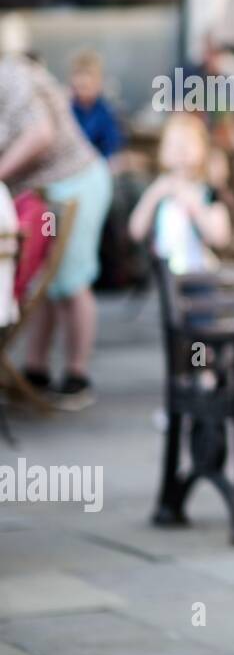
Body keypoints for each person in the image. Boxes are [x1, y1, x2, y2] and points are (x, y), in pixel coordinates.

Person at [0, 49, 112, 410]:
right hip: (48, 190)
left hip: (74, 182)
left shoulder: (11, 75)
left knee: (70, 282)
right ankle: (36, 370)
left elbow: (40, 134)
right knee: (47, 283)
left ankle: (77, 378)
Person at [128, 112, 231, 274]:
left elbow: (221, 238)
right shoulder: (158, 190)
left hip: (200, 273)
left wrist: (196, 208)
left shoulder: (209, 191)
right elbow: (136, 231)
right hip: (165, 275)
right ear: (162, 151)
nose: (180, 150)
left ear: (203, 149)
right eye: (174, 144)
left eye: (188, 143)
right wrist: (153, 196)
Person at [68, 50, 124, 163]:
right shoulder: (65, 110)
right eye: (78, 75)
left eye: (89, 75)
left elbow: (113, 149)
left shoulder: (107, 113)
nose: (83, 81)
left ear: (99, 82)